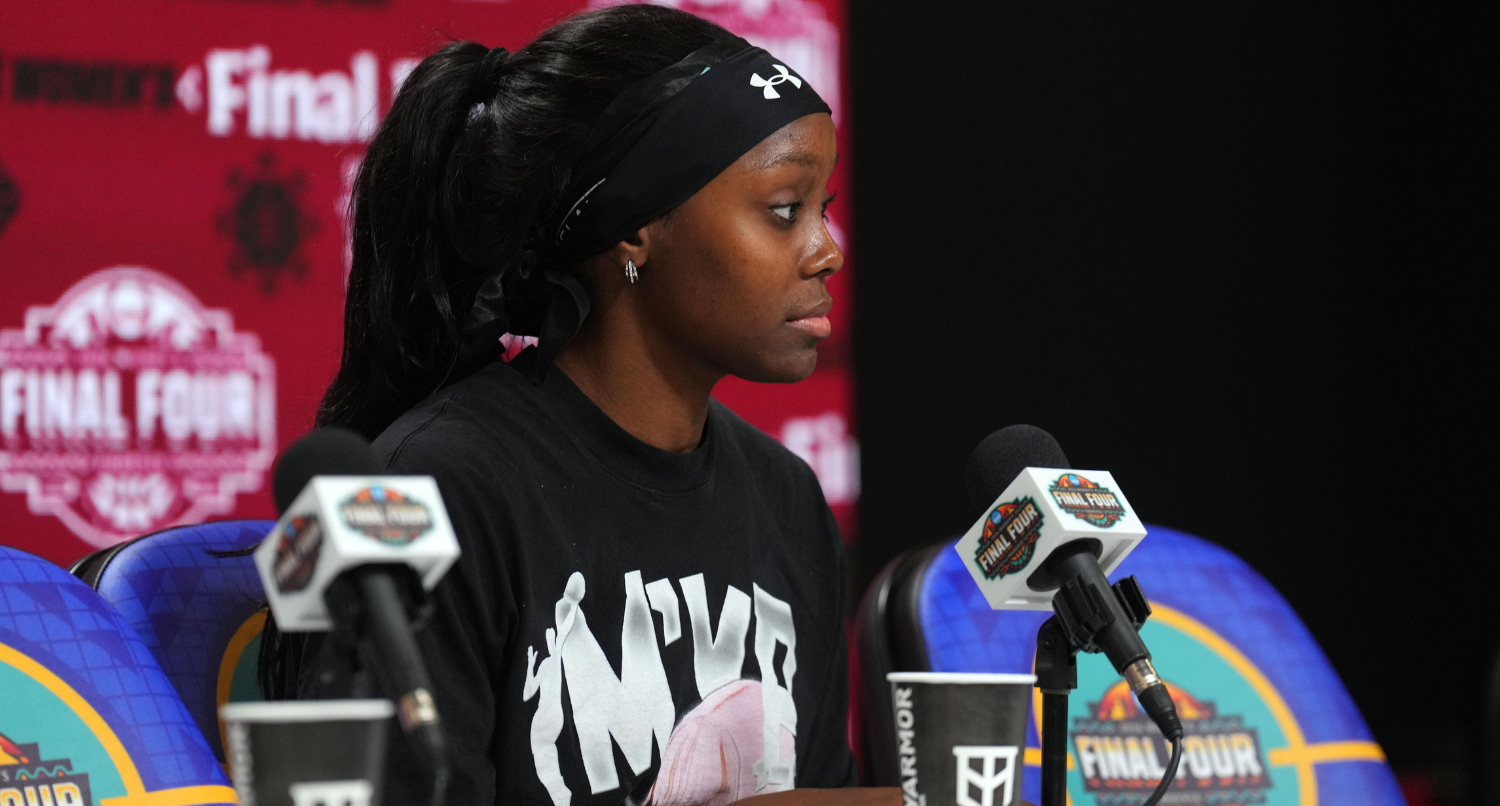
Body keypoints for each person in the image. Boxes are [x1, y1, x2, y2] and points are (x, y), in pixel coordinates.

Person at [261, 5, 898, 804]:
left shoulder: (788, 499)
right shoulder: (439, 488)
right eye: (784, 210)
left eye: (825, 208)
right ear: (634, 230)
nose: (828, 250)